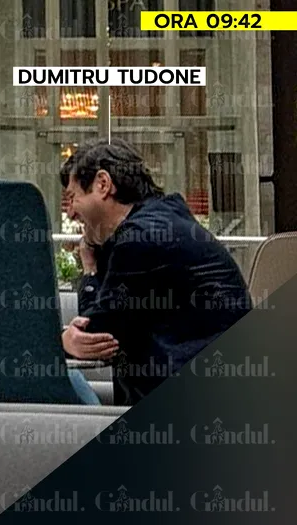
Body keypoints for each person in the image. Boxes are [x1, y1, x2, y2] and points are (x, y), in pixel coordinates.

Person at [60, 138, 252, 406]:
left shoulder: (141, 238)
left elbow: (96, 334)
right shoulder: (160, 222)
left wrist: (64, 339)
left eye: (72, 198)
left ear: (103, 184)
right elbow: (104, 322)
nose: (70, 213)